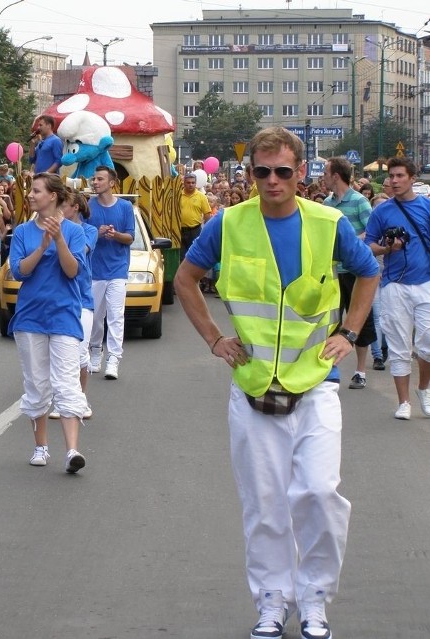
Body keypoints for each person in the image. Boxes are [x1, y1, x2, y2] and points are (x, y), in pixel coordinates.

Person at [174, 126, 380, 639]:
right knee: (264, 502)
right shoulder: (228, 224)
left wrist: (348, 332)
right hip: (252, 388)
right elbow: (185, 279)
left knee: (319, 492)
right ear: (250, 174)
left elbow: (369, 272)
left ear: (301, 172)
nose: (272, 181)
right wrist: (215, 340)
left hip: (316, 386)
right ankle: (272, 597)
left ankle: (314, 597)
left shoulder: (329, 224)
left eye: (283, 171)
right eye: (261, 171)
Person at [8, 173, 88, 473]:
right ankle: (40, 447)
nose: (31, 194)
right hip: (30, 317)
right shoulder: (22, 233)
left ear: (53, 196)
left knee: (67, 383)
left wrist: (58, 239)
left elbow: (72, 271)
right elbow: (19, 272)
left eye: (37, 190)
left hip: (64, 315)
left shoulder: (74, 232)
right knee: (37, 383)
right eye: (31, 190)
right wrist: (42, 246)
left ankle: (72, 452)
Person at [363, 156, 430, 420]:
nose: (394, 181)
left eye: (400, 176)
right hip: (394, 285)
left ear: (412, 178)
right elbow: (368, 245)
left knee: (427, 343)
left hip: (425, 283)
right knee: (399, 344)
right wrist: (389, 247)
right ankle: (403, 403)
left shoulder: (426, 207)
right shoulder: (382, 211)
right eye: (391, 176)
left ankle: (423, 389)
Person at [322, 157, 377, 391]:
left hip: (356, 271)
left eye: (325, 173)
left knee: (359, 322)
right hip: (332, 271)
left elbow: (373, 232)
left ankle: (360, 371)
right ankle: (326, 369)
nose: (322, 177)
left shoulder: (359, 201)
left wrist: (350, 242)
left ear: (336, 176)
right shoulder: (326, 202)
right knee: (329, 320)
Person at [50, 188, 97, 420]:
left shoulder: (88, 231)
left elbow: (81, 251)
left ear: (75, 208)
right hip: (60, 297)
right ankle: (63, 400)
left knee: (79, 353)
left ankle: (80, 398)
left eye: (64, 206)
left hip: (83, 297)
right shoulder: (51, 227)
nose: (60, 210)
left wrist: (59, 236)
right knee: (61, 353)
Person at [85, 166, 135, 380]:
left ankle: (114, 359)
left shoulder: (124, 207)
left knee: (116, 316)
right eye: (94, 179)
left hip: (117, 270)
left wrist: (115, 235)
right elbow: (83, 235)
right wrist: (98, 233)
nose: (95, 182)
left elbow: (130, 237)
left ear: (111, 183)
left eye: (100, 179)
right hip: (95, 270)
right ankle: (96, 350)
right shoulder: (88, 206)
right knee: (96, 316)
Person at [179, 172, 211, 261]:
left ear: (196, 184)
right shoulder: (178, 195)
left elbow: (207, 214)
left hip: (195, 230)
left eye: (193, 183)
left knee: (194, 255)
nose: (191, 185)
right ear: (184, 183)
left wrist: (206, 230)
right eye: (188, 182)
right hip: (180, 230)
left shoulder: (201, 197)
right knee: (181, 256)